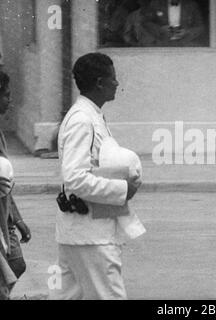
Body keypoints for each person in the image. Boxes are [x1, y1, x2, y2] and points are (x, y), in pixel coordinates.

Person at [49, 53, 141, 300]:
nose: (117, 84)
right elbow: (75, 178)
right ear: (100, 83)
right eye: (113, 78)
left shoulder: (90, 116)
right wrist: (123, 189)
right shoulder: (82, 120)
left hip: (79, 232)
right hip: (90, 235)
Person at [0, 71, 31, 300]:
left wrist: (17, 219)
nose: (9, 101)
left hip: (5, 218)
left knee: (15, 264)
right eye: (6, 95)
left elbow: (5, 186)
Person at [140, 0, 205, 46]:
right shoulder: (156, 3)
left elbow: (200, 26)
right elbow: (145, 22)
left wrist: (187, 32)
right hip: (161, 43)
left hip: (186, 43)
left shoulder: (191, 4)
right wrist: (160, 29)